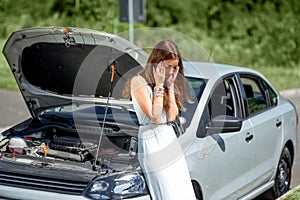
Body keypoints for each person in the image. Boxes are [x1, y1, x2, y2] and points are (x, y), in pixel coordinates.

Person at [123, 40, 196, 200]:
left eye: (174, 67)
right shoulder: (139, 81)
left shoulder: (166, 83)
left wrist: (169, 86)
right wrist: (159, 85)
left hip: (168, 138)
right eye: (168, 66)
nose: (171, 71)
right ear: (157, 62)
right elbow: (155, 116)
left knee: (182, 189)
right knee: (167, 192)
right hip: (151, 140)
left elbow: (171, 116)